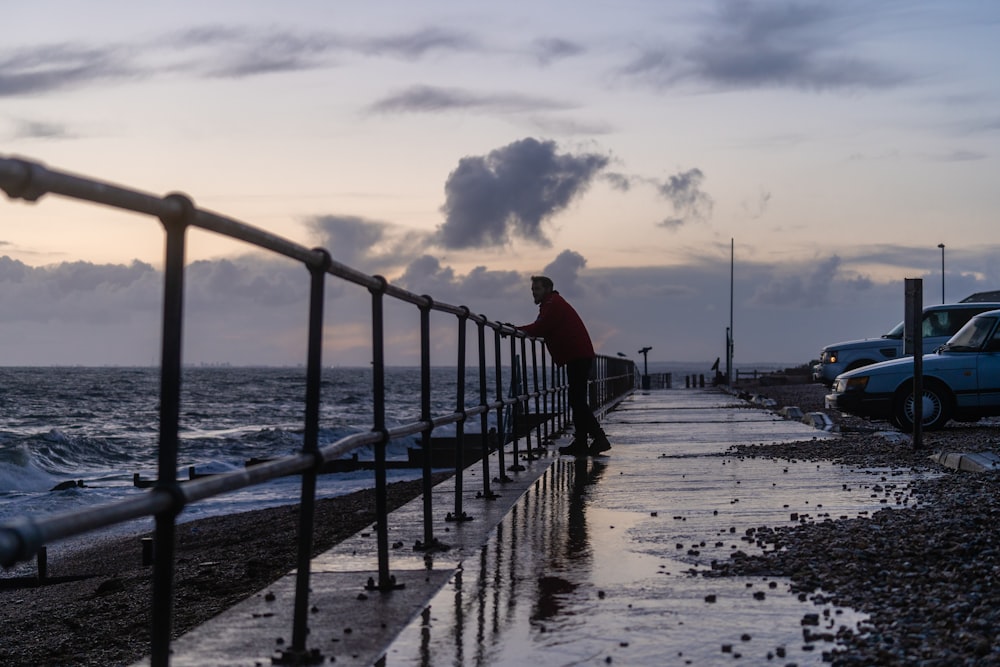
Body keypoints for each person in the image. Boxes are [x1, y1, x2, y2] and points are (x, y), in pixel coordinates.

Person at [515, 275, 611, 457]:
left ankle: (599, 438)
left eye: (537, 289)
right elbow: (542, 327)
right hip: (577, 355)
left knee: (577, 400)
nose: (534, 293)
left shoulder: (553, 304)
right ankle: (581, 442)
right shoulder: (552, 303)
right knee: (577, 400)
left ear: (548, 289)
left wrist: (516, 329)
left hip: (577, 356)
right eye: (533, 289)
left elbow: (540, 327)